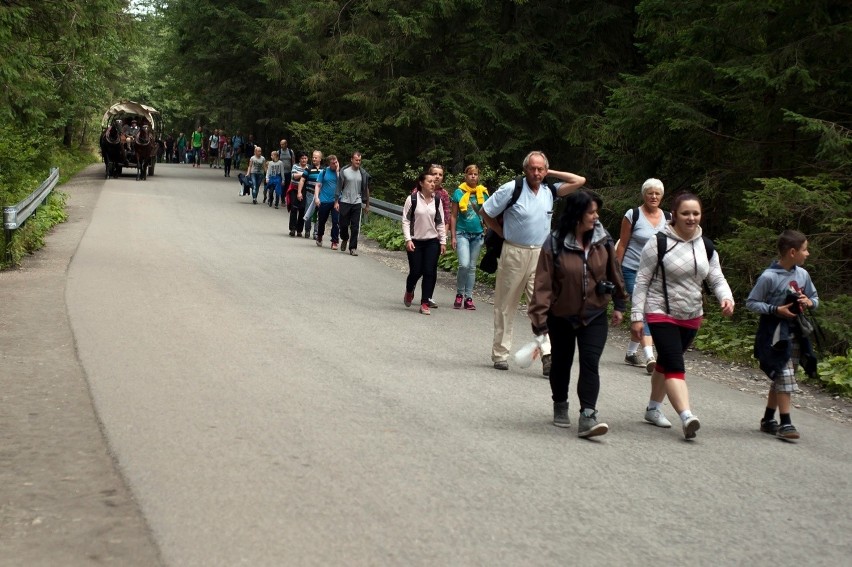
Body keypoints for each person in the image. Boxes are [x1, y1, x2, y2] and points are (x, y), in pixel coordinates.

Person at [630, 192, 735, 440]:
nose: (691, 218)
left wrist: (726, 297)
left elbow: (716, 277)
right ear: (674, 215)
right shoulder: (659, 242)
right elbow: (642, 280)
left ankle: (653, 409)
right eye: (685, 213)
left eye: (695, 213)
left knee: (666, 362)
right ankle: (687, 416)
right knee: (675, 364)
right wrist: (636, 316)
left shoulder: (706, 245)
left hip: (691, 314)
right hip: (660, 311)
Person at [528, 191, 627, 437]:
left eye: (596, 211)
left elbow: (613, 271)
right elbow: (543, 284)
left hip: (594, 314)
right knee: (561, 364)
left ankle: (588, 415)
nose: (596, 216)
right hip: (561, 315)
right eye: (591, 212)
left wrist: (620, 303)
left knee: (590, 363)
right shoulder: (554, 242)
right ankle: (560, 403)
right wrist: (539, 319)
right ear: (576, 215)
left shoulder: (603, 239)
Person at [481, 151, 586, 374]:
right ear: (525, 169)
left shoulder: (550, 191)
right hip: (514, 252)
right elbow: (486, 212)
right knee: (505, 304)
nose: (536, 173)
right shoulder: (512, 189)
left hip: (541, 254)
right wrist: (502, 232)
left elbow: (579, 181)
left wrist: (551, 172)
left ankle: (547, 354)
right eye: (532, 168)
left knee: (541, 306)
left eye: (540, 169)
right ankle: (500, 353)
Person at [746, 230, 819, 441]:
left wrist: (809, 302)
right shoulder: (769, 277)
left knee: (783, 375)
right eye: (805, 250)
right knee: (784, 375)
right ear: (793, 252)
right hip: (774, 335)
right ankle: (786, 423)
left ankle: (768, 419)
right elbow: (752, 303)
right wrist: (775, 310)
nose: (808, 254)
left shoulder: (803, 275)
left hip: (797, 333)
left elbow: (815, 297)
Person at [615, 178, 670, 374]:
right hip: (632, 269)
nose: (653, 196)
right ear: (643, 195)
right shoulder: (633, 215)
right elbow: (622, 243)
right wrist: (616, 271)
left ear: (662, 196)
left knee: (650, 311)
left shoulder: (669, 218)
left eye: (657, 193)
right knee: (645, 310)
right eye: (650, 193)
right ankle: (650, 356)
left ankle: (631, 353)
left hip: (656, 273)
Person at [402, 171, 446, 315]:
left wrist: (443, 241)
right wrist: (408, 239)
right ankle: (409, 289)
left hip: (432, 241)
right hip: (415, 241)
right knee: (416, 271)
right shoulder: (412, 199)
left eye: (434, 182)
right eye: (430, 181)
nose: (433, 184)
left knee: (429, 271)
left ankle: (425, 302)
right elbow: (406, 220)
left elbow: (440, 222)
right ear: (421, 183)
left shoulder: (437, 200)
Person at [451, 164, 489, 310]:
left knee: (472, 267)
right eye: (470, 174)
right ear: (465, 176)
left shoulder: (483, 192)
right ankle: (459, 293)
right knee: (464, 264)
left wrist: (489, 232)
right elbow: (453, 216)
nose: (473, 176)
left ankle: (469, 297)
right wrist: (453, 236)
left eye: (475, 174)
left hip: (478, 234)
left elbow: (487, 214)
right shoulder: (459, 192)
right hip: (462, 233)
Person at [335, 151, 371, 256]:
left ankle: (353, 248)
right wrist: (336, 201)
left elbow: (366, 189)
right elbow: (338, 187)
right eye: (356, 160)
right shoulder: (344, 171)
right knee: (343, 224)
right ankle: (345, 238)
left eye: (359, 160)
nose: (358, 162)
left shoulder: (363, 173)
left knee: (355, 227)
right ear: (351, 159)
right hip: (345, 201)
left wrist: (367, 204)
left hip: (357, 202)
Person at [313, 155, 341, 248]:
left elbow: (342, 184)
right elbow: (318, 185)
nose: (335, 164)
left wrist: (337, 172)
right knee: (322, 220)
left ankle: (334, 241)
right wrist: (317, 197)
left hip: (336, 201)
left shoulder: (340, 173)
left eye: (336, 162)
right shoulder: (324, 172)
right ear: (329, 163)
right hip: (324, 200)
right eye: (333, 163)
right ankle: (320, 236)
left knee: (335, 221)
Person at [297, 150, 324, 238]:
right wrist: (299, 192)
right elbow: (302, 180)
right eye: (313, 157)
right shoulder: (308, 169)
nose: (314, 159)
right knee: (308, 212)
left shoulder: (324, 170)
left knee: (319, 213)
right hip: (310, 193)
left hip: (320, 195)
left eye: (316, 157)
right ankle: (307, 230)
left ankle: (316, 233)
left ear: (320, 159)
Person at [288, 153, 309, 237]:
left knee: (302, 209)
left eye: (305, 158)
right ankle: (292, 228)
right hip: (294, 189)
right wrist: (304, 174)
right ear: (299, 159)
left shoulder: (309, 167)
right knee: (293, 208)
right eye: (302, 158)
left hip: (304, 190)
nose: (304, 160)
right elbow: (293, 176)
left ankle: (299, 230)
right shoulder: (295, 166)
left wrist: (302, 175)